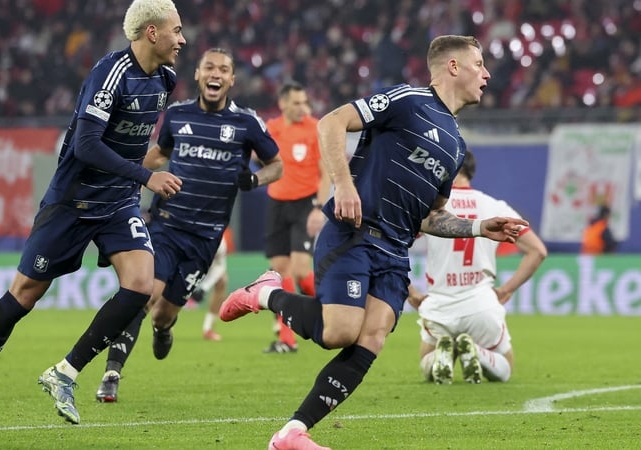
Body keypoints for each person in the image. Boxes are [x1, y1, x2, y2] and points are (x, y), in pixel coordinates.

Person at [219, 35, 529, 450]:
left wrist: (477, 227)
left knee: (373, 337)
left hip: (395, 252)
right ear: (453, 67)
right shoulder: (408, 100)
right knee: (339, 331)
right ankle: (266, 294)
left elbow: (433, 216)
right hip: (356, 233)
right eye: (478, 64)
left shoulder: (455, 144)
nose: (487, 73)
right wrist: (343, 184)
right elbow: (330, 122)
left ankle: (291, 433)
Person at [0, 0, 186, 435]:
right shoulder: (110, 74)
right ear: (152, 33)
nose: (182, 39)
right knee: (23, 295)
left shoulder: (165, 79)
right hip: (73, 202)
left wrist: (135, 182)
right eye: (176, 30)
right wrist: (146, 177)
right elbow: (85, 145)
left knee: (140, 284)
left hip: (116, 204)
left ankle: (65, 372)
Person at [94, 47, 282, 403]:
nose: (215, 74)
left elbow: (276, 165)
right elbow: (159, 155)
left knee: (164, 314)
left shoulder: (247, 123)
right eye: (208, 67)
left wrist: (255, 181)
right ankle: (112, 373)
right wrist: (131, 174)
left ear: (231, 80)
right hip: (166, 224)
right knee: (143, 295)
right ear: (197, 75)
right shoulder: (177, 115)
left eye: (223, 69)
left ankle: (164, 329)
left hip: (206, 238)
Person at [407, 150, 547, 385]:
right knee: (506, 366)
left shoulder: (430, 207)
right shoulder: (494, 206)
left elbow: (392, 245)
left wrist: (410, 291)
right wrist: (506, 290)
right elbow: (537, 251)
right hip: (481, 304)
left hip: (440, 305)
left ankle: (442, 356)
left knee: (426, 361)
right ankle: (479, 354)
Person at [262, 82, 331, 353]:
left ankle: (338, 310)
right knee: (281, 273)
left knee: (302, 272)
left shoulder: (315, 128)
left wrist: (318, 207)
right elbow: (260, 158)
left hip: (306, 204)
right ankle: (287, 339)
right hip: (277, 204)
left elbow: (326, 172)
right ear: (283, 104)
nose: (304, 107)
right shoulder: (272, 129)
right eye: (298, 103)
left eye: (305, 102)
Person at [190, 232, 231, 341]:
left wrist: (203, 289)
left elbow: (220, 267)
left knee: (222, 280)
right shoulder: (189, 236)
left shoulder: (220, 243)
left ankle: (208, 329)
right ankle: (164, 326)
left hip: (208, 267)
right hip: (187, 264)